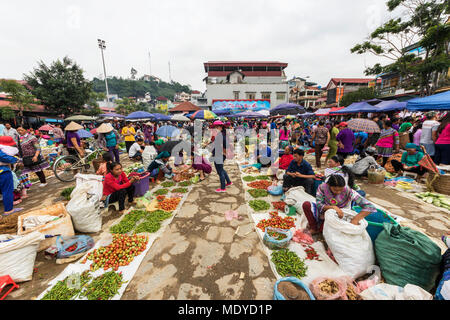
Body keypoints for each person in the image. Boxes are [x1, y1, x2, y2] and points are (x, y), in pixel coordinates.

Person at [301, 175, 377, 234]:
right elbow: (319, 204)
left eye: (340, 190)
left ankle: (321, 228)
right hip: (324, 210)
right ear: (328, 185)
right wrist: (333, 207)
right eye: (335, 190)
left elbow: (369, 206)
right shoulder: (322, 187)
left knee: (325, 230)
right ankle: (314, 228)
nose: (338, 192)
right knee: (306, 205)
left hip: (339, 215)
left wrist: (355, 219)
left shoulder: (348, 191)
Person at [0, 136, 23, 216]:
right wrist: (15, 159)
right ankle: (9, 210)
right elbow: (4, 157)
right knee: (7, 191)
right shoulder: (1, 150)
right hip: (3, 171)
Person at [210, 120, 232, 193]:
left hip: (219, 155)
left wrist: (224, 152)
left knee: (220, 171)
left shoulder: (221, 135)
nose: (215, 128)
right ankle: (228, 182)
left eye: (216, 127)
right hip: (219, 154)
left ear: (220, 127)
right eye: (214, 127)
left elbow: (226, 145)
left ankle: (223, 188)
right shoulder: (220, 134)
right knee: (221, 169)